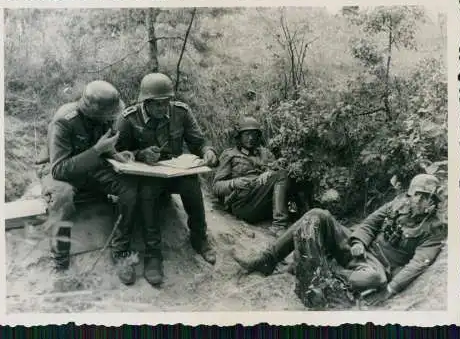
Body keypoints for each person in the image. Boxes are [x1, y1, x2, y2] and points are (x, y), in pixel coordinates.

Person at [233, 174, 446, 306]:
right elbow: (369, 224)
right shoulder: (396, 204)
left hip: (375, 266)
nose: (421, 200)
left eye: (428, 197)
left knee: (375, 280)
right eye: (418, 194)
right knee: (318, 214)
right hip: (356, 249)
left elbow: (418, 263)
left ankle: (323, 269)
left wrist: (391, 290)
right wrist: (358, 242)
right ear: (410, 194)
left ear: (434, 202)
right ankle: (268, 258)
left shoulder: (434, 229)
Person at [116, 72, 218, 286]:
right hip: (147, 176)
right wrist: (140, 154)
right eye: (158, 105)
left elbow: (198, 140)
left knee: (191, 183)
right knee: (147, 193)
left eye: (166, 103)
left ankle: (199, 237)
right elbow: (116, 153)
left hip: (175, 171)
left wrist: (208, 150)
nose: (164, 109)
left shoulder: (181, 112)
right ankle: (153, 254)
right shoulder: (129, 119)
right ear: (146, 102)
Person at [46, 80, 140, 286]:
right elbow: (58, 169)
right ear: (94, 111)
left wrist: (116, 156)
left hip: (93, 170)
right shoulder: (64, 121)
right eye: (108, 115)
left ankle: (120, 251)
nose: (111, 119)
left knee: (129, 190)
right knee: (63, 199)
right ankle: (60, 261)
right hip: (64, 175)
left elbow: (104, 145)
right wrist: (97, 150)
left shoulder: (104, 117)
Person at [212, 116, 291, 237]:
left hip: (262, 202)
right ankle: (279, 225)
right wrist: (234, 183)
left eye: (254, 134)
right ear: (239, 136)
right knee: (280, 176)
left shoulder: (265, 153)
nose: (251, 138)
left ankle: (289, 216)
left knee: (287, 174)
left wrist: (269, 171)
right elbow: (216, 187)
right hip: (243, 205)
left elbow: (279, 175)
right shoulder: (230, 155)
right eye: (247, 134)